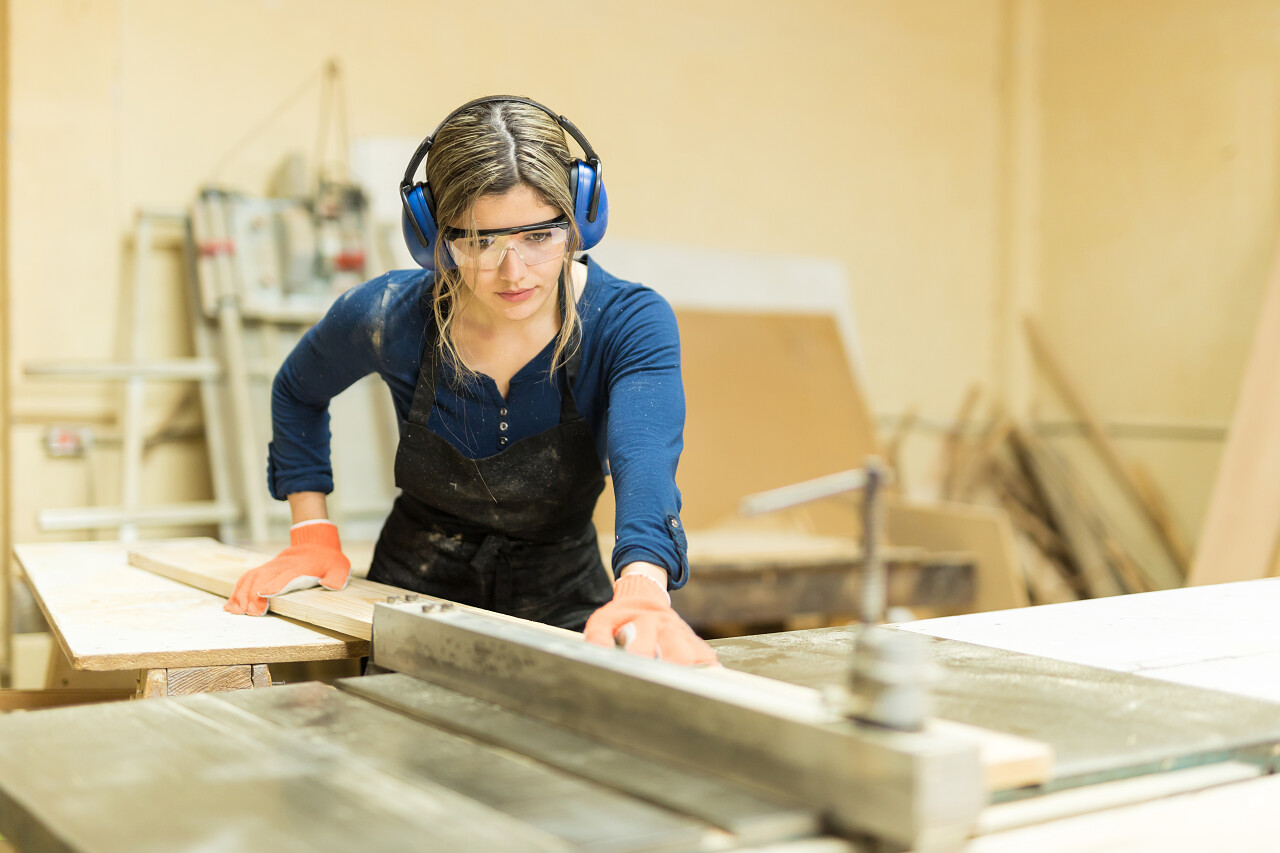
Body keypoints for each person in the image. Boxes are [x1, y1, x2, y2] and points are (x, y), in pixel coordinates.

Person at [222, 95, 717, 666]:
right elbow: (297, 390)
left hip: (565, 601)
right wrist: (310, 534)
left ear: (581, 218)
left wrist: (643, 586)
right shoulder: (390, 317)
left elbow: (645, 460)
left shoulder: (628, 324)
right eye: (480, 241)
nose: (514, 272)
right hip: (411, 592)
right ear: (434, 234)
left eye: (539, 237)